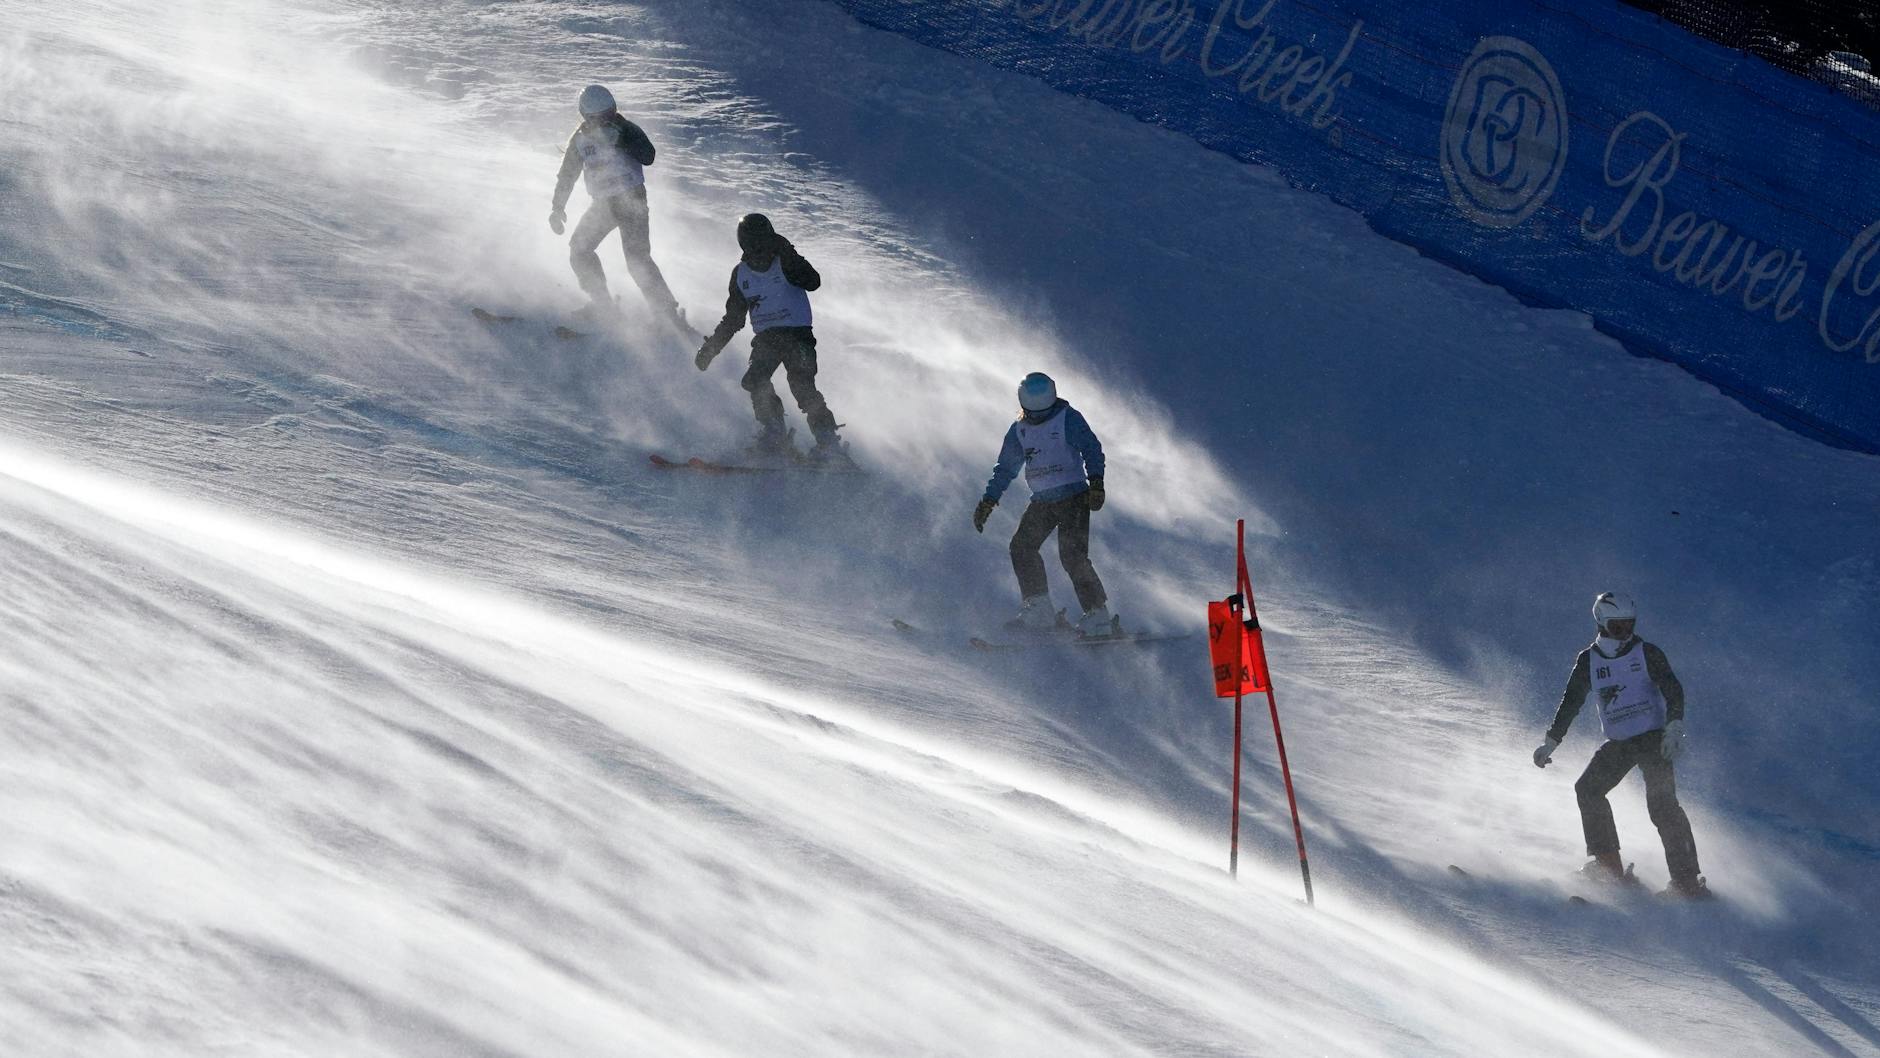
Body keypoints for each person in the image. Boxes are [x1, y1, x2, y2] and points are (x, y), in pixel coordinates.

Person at [1532, 592, 1710, 899]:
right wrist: (1552, 741)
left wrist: (1674, 727)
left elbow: (1672, 688)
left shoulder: (1647, 652)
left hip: (1654, 740)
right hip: (1621, 743)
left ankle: (1687, 883)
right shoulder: (1589, 660)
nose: (1626, 634)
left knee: (1662, 805)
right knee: (1588, 789)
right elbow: (1572, 700)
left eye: (1630, 626)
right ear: (1601, 624)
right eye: (1618, 628)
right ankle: (1609, 869)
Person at [694, 213, 845, 460]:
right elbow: (733, 319)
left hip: (797, 336)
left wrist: (787, 251)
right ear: (744, 245)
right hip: (767, 339)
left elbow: (813, 281)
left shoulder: (783, 260)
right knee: (755, 380)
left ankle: (828, 444)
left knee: (802, 387)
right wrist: (711, 348)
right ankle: (774, 436)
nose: (759, 251)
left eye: (763, 243)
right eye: (754, 245)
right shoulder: (741, 274)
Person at [974, 372, 1113, 637]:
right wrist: (988, 500)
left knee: (1071, 554)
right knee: (1021, 547)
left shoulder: (1067, 419)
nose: (1039, 418)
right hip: (1042, 501)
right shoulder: (1019, 431)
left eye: (1044, 412)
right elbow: (1005, 468)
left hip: (1073, 498)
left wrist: (1096, 482)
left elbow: (1092, 448)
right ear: (1024, 406)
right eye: (1033, 413)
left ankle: (1098, 616)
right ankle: (1038, 609)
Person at [549, 84, 689, 333]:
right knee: (579, 249)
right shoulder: (580, 139)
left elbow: (649, 155)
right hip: (603, 204)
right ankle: (603, 305)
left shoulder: (625, 128)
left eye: (609, 114)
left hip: (632, 200)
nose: (605, 121)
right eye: (599, 117)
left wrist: (624, 140)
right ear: (586, 116)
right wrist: (557, 208)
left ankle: (666, 313)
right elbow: (567, 174)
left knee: (637, 258)